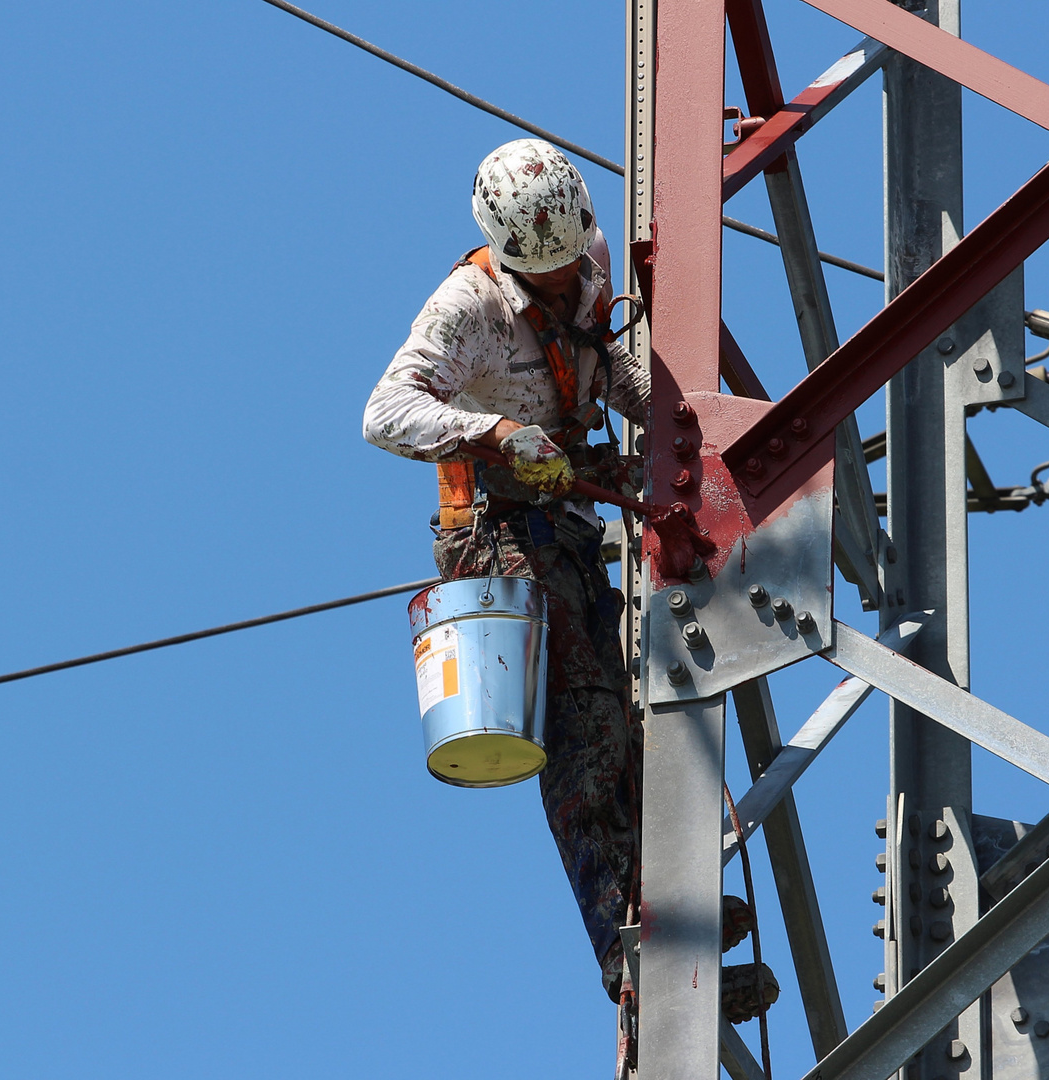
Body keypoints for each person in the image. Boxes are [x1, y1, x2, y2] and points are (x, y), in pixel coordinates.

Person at [363, 139, 774, 1021]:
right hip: (501, 539)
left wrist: (678, 430)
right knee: (584, 738)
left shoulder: (583, 265)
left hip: (576, 531)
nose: (560, 284)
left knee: (634, 727)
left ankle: (675, 917)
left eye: (567, 268)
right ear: (508, 256)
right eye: (541, 277)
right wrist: (493, 434)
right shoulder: (468, 305)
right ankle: (632, 961)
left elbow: (608, 367)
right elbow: (383, 412)